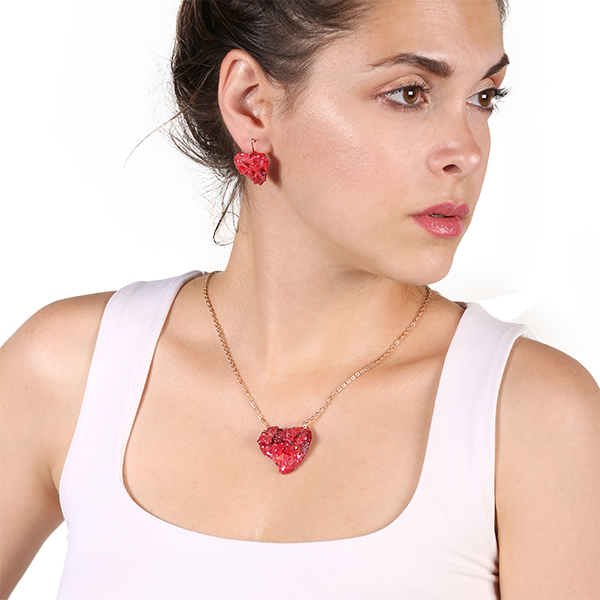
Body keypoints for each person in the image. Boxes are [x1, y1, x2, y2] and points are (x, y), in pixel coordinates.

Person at [1, 0, 599, 598]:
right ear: (250, 104)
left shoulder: (535, 419)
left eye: (484, 97)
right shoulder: (70, 371)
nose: (467, 153)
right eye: (410, 93)